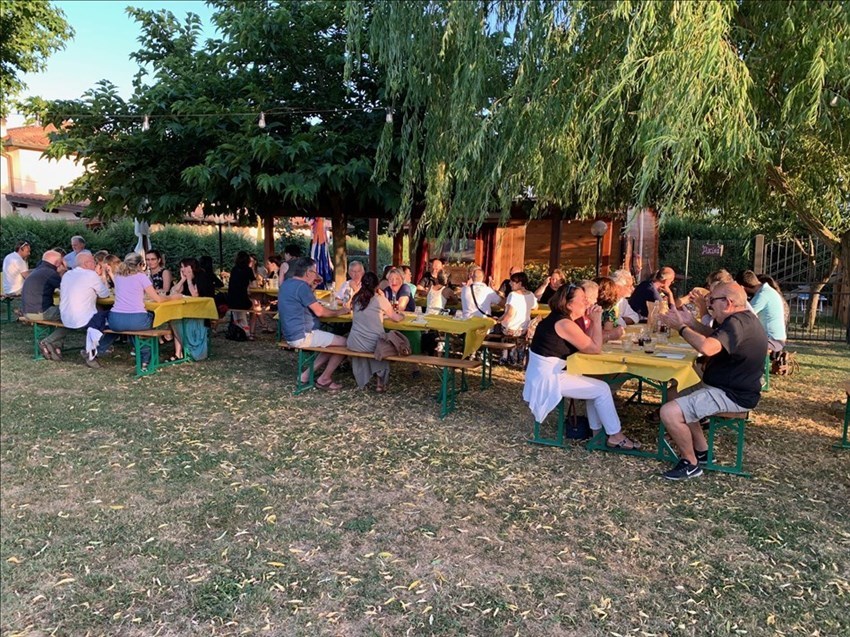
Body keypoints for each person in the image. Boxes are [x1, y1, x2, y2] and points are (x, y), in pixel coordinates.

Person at [659, 282, 768, 480]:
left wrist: (681, 327)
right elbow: (716, 339)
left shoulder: (738, 322)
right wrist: (691, 323)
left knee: (669, 412)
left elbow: (708, 348)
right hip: (725, 386)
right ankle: (702, 451)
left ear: (727, 302)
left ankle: (690, 463)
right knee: (674, 392)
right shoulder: (741, 319)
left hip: (733, 394)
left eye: (711, 301)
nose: (709, 306)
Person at [523, 285, 641, 449]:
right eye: (582, 299)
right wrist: (597, 320)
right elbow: (595, 349)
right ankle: (615, 436)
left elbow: (588, 341)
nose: (587, 302)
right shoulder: (565, 324)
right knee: (602, 389)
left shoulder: (562, 320)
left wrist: (593, 321)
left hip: (547, 373)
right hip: (548, 379)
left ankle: (597, 433)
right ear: (569, 304)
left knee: (596, 385)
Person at [279, 257, 350, 391]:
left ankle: (307, 375)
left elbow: (302, 299)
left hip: (289, 334)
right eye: (315, 272)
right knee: (346, 343)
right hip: (303, 335)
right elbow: (320, 312)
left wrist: (313, 286)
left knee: (332, 342)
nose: (316, 275)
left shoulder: (287, 284)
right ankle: (323, 378)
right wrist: (341, 311)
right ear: (307, 273)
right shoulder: (301, 287)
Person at [108, 253, 176, 372]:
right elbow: (158, 298)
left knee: (134, 329)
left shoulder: (117, 276)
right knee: (153, 318)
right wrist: (173, 298)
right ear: (140, 265)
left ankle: (139, 352)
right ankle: (147, 357)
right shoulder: (141, 276)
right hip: (136, 320)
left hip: (115, 320)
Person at [347, 272, 406, 392]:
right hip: (372, 344)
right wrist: (403, 315)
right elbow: (395, 317)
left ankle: (364, 380)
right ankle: (380, 383)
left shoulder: (356, 298)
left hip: (354, 342)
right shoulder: (380, 299)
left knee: (374, 343)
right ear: (377, 285)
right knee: (381, 345)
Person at [59, 252, 113, 368]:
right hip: (83, 319)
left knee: (100, 313)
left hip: (65, 317)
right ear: (87, 263)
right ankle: (93, 351)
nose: (95, 264)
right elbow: (104, 294)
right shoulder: (90, 275)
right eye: (93, 261)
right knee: (112, 318)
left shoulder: (67, 275)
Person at [21, 250, 67, 360]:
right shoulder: (50, 273)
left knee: (64, 316)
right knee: (72, 317)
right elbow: (67, 288)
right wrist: (64, 271)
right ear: (57, 263)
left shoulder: (38, 271)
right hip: (40, 312)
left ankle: (55, 347)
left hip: (28, 311)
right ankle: (48, 342)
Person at [169, 257, 216, 360]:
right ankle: (178, 353)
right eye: (181, 267)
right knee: (175, 320)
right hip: (187, 310)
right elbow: (173, 292)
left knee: (178, 321)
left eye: (184, 266)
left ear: (192, 267)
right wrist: (182, 280)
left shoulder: (202, 277)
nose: (182, 269)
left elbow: (195, 296)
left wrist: (189, 280)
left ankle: (182, 347)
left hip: (201, 312)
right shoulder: (185, 279)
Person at [736, 270, 787, 352]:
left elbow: (743, 315)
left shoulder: (762, 295)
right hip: (776, 339)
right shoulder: (768, 291)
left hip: (772, 340)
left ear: (742, 287)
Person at [226, 251, 254, 339]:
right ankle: (250, 332)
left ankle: (239, 327)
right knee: (256, 308)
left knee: (238, 309)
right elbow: (254, 284)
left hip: (231, 301)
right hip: (243, 301)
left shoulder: (234, 269)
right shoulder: (248, 270)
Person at [500, 271, 537, 336]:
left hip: (511, 330)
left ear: (519, 283)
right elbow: (535, 307)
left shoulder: (513, 295)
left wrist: (498, 321)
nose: (510, 283)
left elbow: (510, 315)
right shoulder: (531, 294)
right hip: (524, 330)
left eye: (512, 281)